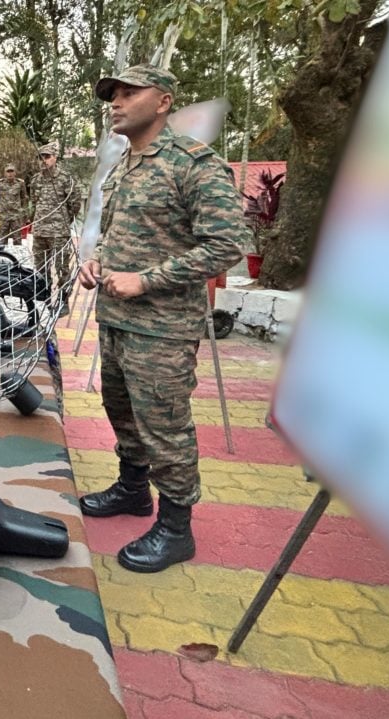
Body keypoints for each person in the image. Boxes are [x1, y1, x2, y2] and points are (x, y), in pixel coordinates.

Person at [77, 65, 247, 573]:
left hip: (163, 328)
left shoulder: (194, 164)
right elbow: (115, 234)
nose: (116, 102)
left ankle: (176, 528)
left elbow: (226, 246)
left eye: (130, 92)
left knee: (165, 426)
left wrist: (146, 280)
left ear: (164, 101)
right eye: (113, 94)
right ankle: (133, 489)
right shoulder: (123, 166)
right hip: (117, 319)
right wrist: (96, 261)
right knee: (121, 411)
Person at [28, 141, 81, 307]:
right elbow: (33, 202)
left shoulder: (65, 179)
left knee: (62, 268)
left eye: (47, 157)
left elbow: (75, 203)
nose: (43, 160)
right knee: (40, 268)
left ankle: (63, 301)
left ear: (55, 157)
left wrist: (64, 220)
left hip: (59, 232)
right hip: (40, 231)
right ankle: (44, 300)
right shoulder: (35, 180)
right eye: (40, 157)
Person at [0, 163, 28, 245]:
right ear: (4, 173)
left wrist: (21, 210)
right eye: (8, 172)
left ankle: (17, 253)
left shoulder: (20, 183)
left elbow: (24, 197)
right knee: (2, 240)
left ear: (15, 173)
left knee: (17, 239)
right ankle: (2, 253)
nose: (10, 174)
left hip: (16, 215)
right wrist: (1, 209)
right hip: (3, 215)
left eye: (12, 171)